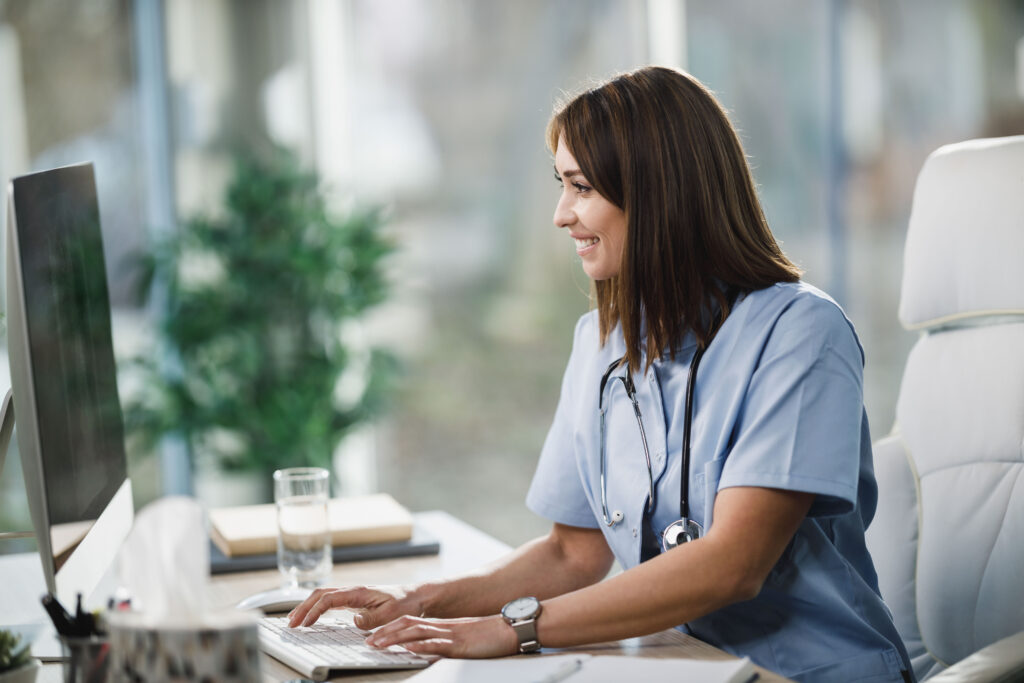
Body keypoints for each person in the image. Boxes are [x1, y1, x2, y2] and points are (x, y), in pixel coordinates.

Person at [287, 66, 914, 683]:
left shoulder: (800, 333)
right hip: (686, 665)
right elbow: (572, 551)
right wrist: (422, 601)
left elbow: (732, 565)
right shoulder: (601, 344)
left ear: (658, 193)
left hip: (812, 672)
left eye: (581, 187)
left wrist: (513, 628)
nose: (561, 214)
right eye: (562, 185)